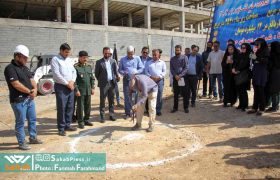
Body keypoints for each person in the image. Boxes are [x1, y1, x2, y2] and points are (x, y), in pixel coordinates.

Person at [4, 45, 43, 150]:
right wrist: (29, 91)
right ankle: (22, 142)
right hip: (18, 100)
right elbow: (15, 84)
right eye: (24, 57)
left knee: (32, 119)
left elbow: (32, 80)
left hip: (29, 99)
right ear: (17, 56)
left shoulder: (25, 68)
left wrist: (35, 89)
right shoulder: (10, 68)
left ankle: (33, 137)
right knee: (20, 122)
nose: (26, 59)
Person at [51, 43, 77, 136]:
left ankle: (68, 125)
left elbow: (74, 71)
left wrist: (72, 81)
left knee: (70, 107)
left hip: (70, 86)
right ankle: (61, 128)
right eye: (66, 52)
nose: (67, 54)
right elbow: (56, 74)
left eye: (69, 52)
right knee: (62, 107)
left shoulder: (69, 60)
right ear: (61, 50)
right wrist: (67, 83)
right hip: (61, 87)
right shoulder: (55, 59)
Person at [95, 47, 120, 123]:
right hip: (104, 84)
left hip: (112, 83)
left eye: (108, 53)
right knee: (102, 100)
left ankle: (111, 115)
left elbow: (115, 71)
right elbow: (97, 74)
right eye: (105, 53)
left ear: (110, 53)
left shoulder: (113, 61)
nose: (107, 54)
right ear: (103, 53)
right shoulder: (99, 62)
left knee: (111, 100)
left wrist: (117, 76)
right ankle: (102, 116)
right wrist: (102, 80)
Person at [118, 45, 144, 119]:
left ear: (134, 52)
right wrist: (124, 73)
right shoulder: (123, 59)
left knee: (135, 96)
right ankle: (127, 113)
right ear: (127, 52)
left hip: (135, 80)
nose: (130, 55)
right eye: (129, 53)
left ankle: (135, 112)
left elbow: (141, 68)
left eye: (131, 53)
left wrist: (136, 71)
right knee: (127, 97)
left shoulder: (137, 58)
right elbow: (120, 70)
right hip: (126, 80)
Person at [247, 38, 269, 116]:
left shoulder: (266, 50)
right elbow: (255, 61)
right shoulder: (258, 51)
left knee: (261, 90)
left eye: (257, 44)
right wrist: (253, 57)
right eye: (256, 45)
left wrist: (256, 58)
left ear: (262, 44)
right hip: (256, 72)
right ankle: (254, 107)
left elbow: (265, 61)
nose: (256, 46)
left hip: (262, 73)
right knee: (256, 90)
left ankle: (262, 108)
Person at [74, 51, 95, 129]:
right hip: (80, 91)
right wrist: (76, 90)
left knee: (88, 106)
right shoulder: (76, 67)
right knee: (80, 107)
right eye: (83, 57)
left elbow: (92, 78)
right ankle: (80, 121)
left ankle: (86, 119)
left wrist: (93, 87)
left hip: (88, 90)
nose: (85, 59)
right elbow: (74, 80)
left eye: (86, 57)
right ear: (79, 58)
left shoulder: (89, 67)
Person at [145, 49, 166, 116]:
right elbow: (146, 71)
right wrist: (151, 77)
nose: (154, 56)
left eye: (155, 55)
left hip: (159, 81)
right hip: (150, 81)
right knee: (150, 96)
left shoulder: (162, 62)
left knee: (159, 95)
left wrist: (159, 77)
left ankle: (158, 110)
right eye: (153, 55)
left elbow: (164, 71)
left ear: (158, 55)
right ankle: (150, 110)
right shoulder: (148, 62)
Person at [232, 43, 252, 111]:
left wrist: (238, 70)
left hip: (244, 75)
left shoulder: (250, 55)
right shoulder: (240, 55)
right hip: (238, 75)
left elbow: (247, 64)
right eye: (242, 48)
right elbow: (235, 62)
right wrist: (234, 68)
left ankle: (245, 105)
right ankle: (240, 104)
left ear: (247, 48)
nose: (243, 49)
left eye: (244, 48)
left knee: (243, 91)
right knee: (239, 90)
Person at [170, 45, 189, 113]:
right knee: (176, 93)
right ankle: (175, 108)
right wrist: (175, 75)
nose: (177, 51)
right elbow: (171, 69)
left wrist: (180, 76)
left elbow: (186, 68)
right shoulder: (172, 59)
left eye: (178, 50)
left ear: (181, 50)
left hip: (183, 78)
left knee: (185, 93)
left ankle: (186, 107)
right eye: (176, 50)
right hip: (175, 78)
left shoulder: (184, 57)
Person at [266, 41, 280, 112]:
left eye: (271, 46)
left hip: (274, 74)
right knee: (277, 91)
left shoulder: (272, 54)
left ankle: (274, 107)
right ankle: (276, 106)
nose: (270, 48)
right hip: (278, 74)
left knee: (274, 91)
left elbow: (270, 65)